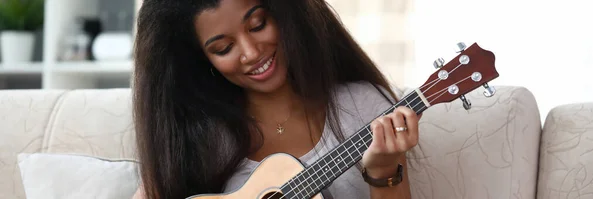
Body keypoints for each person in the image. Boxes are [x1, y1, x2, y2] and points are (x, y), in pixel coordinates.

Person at [131, 0, 421, 198]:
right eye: (224, 48)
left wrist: (384, 171)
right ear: (202, 60)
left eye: (258, 25)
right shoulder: (199, 139)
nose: (252, 52)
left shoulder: (364, 107)